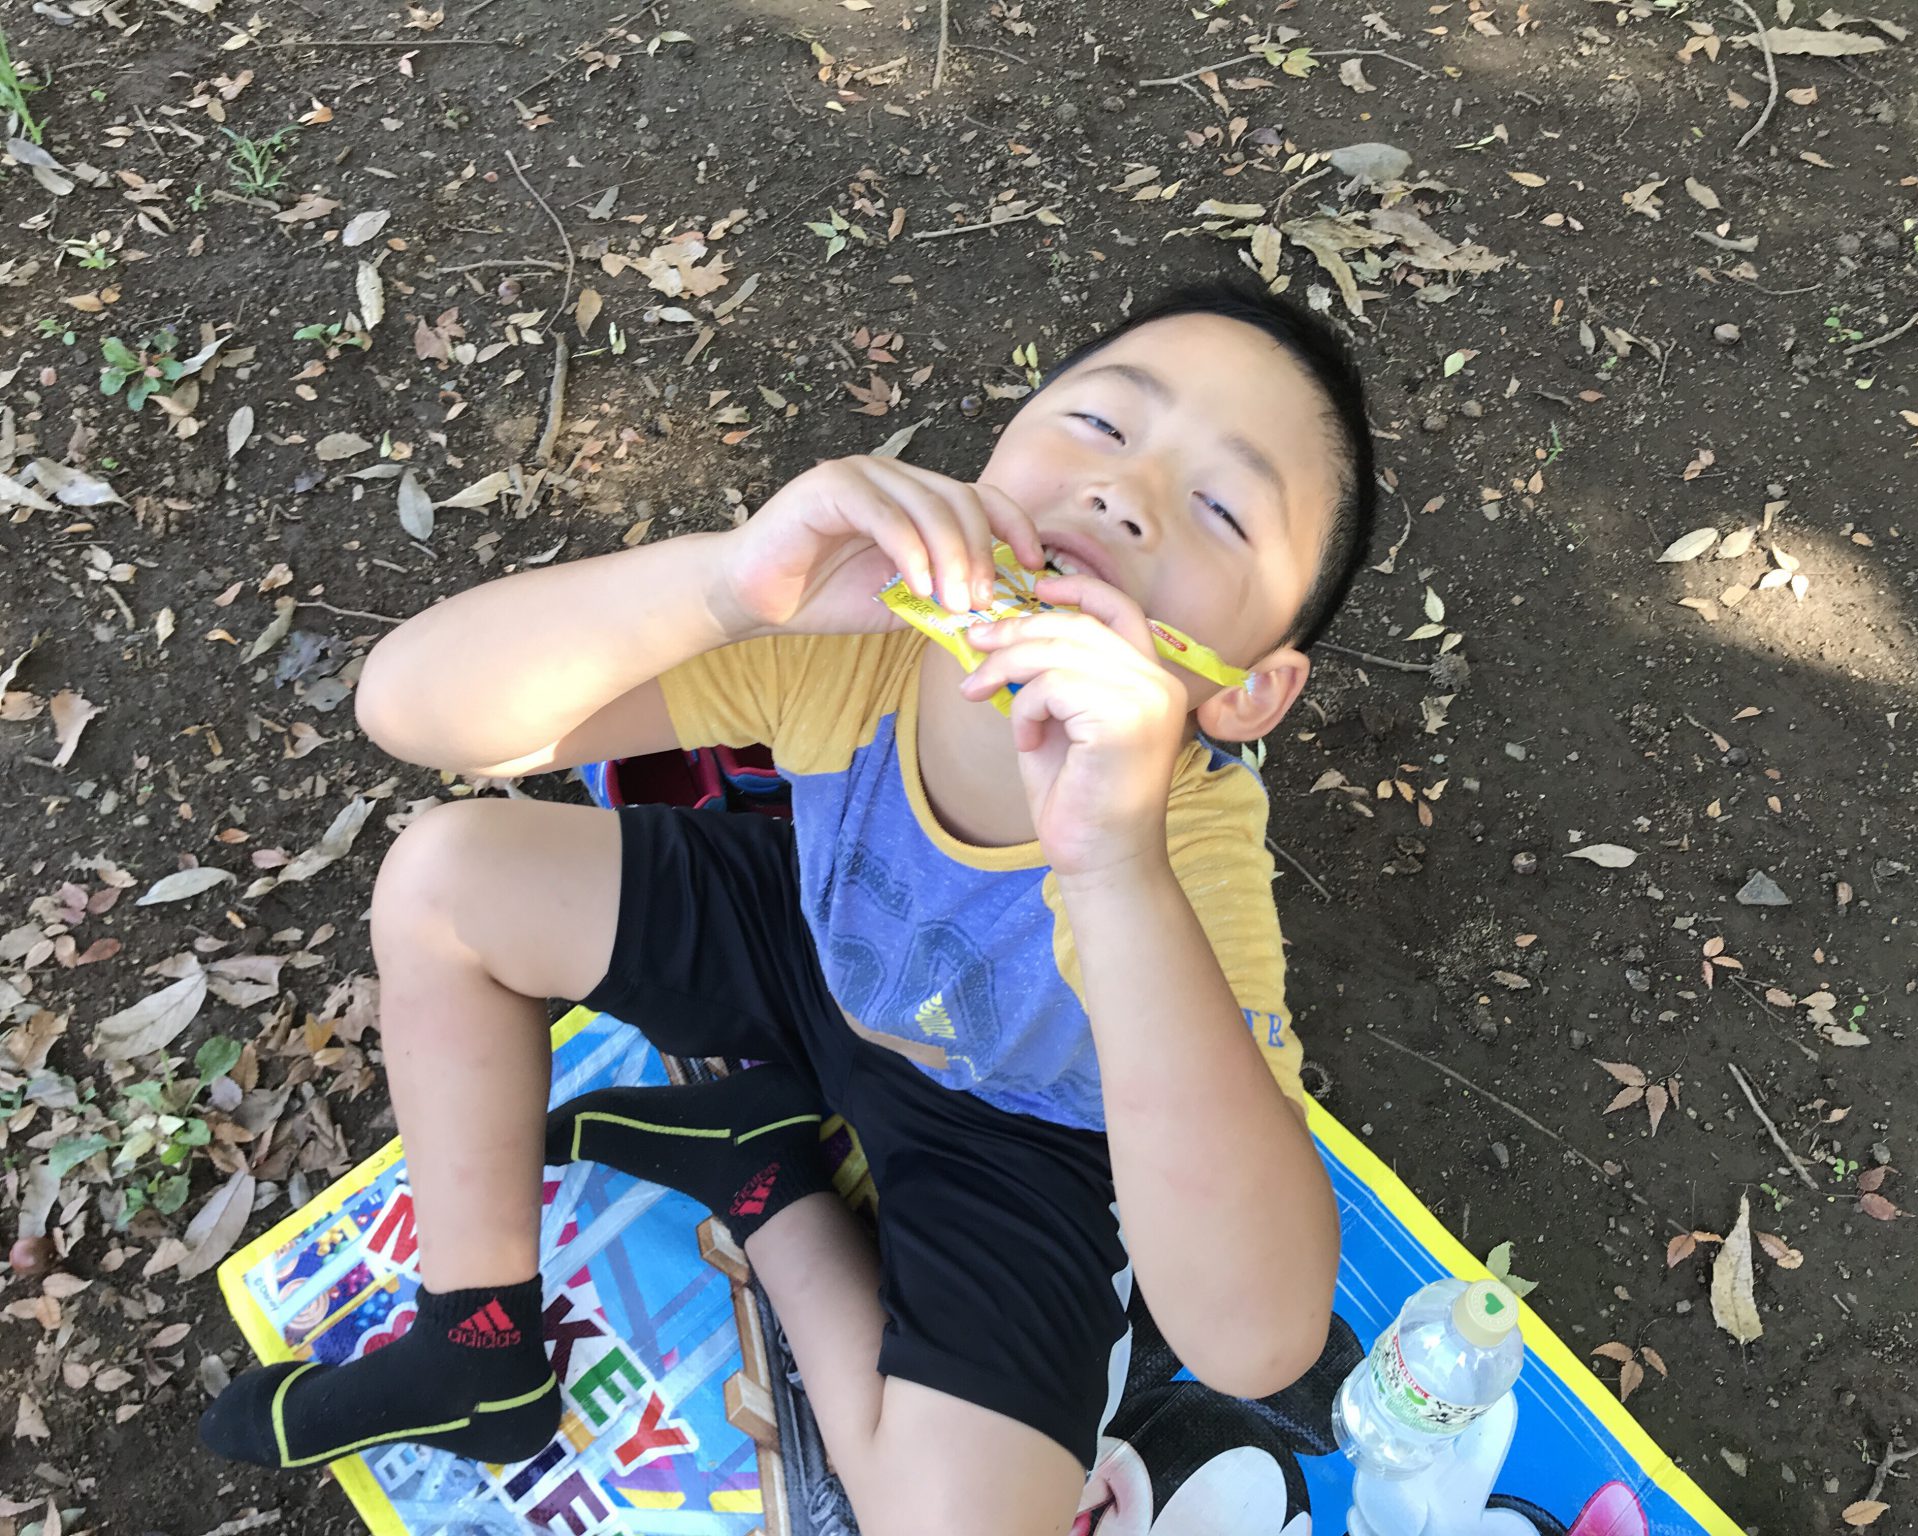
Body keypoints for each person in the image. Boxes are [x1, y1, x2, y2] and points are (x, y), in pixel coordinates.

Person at [201, 276, 1376, 1534]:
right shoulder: (857, 636)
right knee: (448, 875)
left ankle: (764, 1180)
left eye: (1218, 507)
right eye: (1099, 423)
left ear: (1245, 693)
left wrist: (1112, 864)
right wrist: (726, 585)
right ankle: (479, 1343)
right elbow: (415, 708)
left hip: (1021, 1127)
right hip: (805, 939)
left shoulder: (1183, 849)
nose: (1122, 492)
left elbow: (1252, 1340)